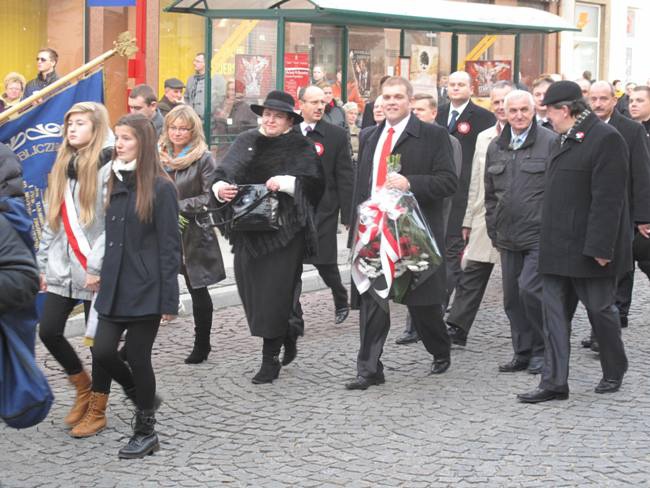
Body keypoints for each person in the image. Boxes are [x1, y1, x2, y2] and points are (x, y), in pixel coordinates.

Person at [518, 81, 630, 403]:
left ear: (565, 110)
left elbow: (608, 200)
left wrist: (600, 249)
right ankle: (554, 383)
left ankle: (614, 367)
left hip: (589, 250)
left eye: (549, 111)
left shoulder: (607, 139)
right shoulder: (562, 139)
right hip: (556, 247)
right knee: (553, 315)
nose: (547, 118)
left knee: (600, 311)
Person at [345, 76, 457, 390]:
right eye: (386, 97)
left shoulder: (432, 136)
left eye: (397, 96)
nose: (391, 102)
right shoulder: (369, 136)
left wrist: (412, 182)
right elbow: (361, 186)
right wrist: (355, 226)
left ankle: (439, 347)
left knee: (421, 303)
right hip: (373, 232)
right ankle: (369, 369)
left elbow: (449, 182)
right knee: (372, 297)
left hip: (411, 232)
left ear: (409, 100)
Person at [211, 90, 324, 385]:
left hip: (286, 233)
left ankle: (269, 358)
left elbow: (315, 185)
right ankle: (287, 329)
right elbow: (223, 171)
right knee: (251, 289)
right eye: (268, 114)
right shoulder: (246, 141)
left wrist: (288, 183)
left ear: (289, 121)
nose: (271, 119)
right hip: (248, 230)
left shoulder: (301, 146)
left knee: (275, 294)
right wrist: (220, 187)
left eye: (278, 116)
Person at [93, 114, 181, 458]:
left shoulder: (161, 187)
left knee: (140, 358)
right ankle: (141, 394)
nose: (119, 143)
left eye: (127, 138)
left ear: (143, 143)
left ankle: (146, 430)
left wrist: (168, 300)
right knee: (102, 352)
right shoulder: (114, 179)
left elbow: (170, 245)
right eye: (118, 137)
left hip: (146, 288)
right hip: (114, 284)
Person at [36, 102, 114, 438]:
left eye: (79, 123)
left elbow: (113, 222)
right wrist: (41, 263)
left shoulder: (109, 166)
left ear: (96, 128)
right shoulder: (63, 162)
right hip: (62, 267)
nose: (71, 129)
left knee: (99, 344)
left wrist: (96, 264)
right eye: (69, 124)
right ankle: (82, 388)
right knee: (49, 330)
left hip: (95, 267)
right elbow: (53, 219)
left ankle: (98, 408)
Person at [484, 90, 556, 375]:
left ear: (534, 110)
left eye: (524, 110)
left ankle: (542, 350)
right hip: (507, 235)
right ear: (504, 111)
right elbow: (490, 194)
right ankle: (522, 351)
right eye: (512, 110)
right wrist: (493, 227)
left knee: (531, 290)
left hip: (539, 235)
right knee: (512, 298)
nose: (518, 115)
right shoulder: (495, 147)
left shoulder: (550, 142)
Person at [287, 86, 353, 364]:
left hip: (325, 209)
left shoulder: (336, 135)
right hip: (293, 209)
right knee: (291, 266)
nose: (319, 107)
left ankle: (340, 295)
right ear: (300, 104)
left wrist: (348, 216)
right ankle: (295, 316)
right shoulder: (289, 133)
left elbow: (346, 175)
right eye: (313, 102)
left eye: (322, 102)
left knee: (325, 261)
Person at [445, 81, 513, 347]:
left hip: (520, 220)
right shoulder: (485, 137)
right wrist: (467, 220)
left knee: (519, 284)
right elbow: (475, 179)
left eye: (504, 101)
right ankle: (457, 327)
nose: (500, 107)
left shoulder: (541, 136)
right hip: (485, 216)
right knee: (472, 272)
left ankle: (529, 336)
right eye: (495, 102)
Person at [585, 81, 650, 345]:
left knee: (616, 272)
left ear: (614, 100)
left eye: (604, 98)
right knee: (595, 274)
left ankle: (605, 330)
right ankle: (600, 329)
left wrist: (643, 217)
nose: (598, 104)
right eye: (594, 99)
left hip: (624, 212)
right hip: (591, 211)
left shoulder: (631, 130)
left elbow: (641, 173)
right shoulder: (583, 128)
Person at [395, 92, 462, 346]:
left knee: (429, 281)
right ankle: (413, 328)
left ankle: (435, 337)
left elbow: (449, 182)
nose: (416, 114)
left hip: (434, 219)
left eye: (421, 110)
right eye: (414, 110)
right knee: (411, 277)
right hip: (405, 219)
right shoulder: (406, 138)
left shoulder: (443, 139)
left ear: (434, 113)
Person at [159, 105, 225, 364]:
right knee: (152, 286)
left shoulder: (203, 157)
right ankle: (131, 346)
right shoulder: (158, 153)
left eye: (182, 129)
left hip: (192, 232)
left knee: (197, 289)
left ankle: (202, 343)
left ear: (192, 130)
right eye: (173, 127)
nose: (177, 133)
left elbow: (209, 196)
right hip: (160, 231)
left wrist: (175, 207)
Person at [435, 71, 496, 306]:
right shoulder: (438, 113)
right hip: (440, 192)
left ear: (471, 89)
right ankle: (451, 292)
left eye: (461, 84)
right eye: (452, 84)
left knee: (454, 249)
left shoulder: (483, 118)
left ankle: (443, 301)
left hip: (464, 193)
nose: (456, 88)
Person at [185, 53, 207, 119]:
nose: (194, 63)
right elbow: (186, 97)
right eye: (194, 61)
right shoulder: (191, 79)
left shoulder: (213, 80)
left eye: (197, 61)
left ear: (205, 64)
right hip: (192, 119)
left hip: (207, 120)